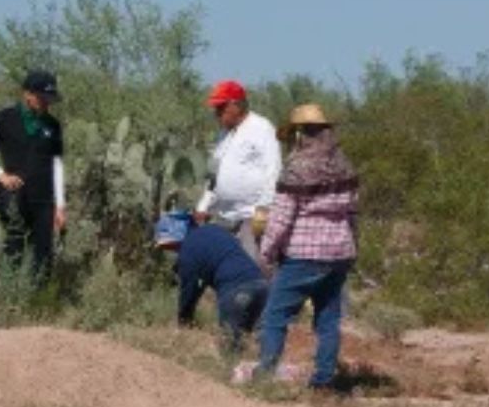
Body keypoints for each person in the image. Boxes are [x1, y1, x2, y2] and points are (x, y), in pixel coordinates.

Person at [256, 104, 359, 390]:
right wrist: (353, 249)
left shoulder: (297, 168)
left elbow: (281, 218)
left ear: (301, 134)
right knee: (328, 319)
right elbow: (352, 213)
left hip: (303, 254)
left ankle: (265, 376)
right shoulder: (344, 165)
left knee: (275, 316)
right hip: (339, 252)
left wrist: (266, 251)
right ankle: (324, 382)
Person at [0, 70, 67, 283]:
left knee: (43, 252)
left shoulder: (53, 125)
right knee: (15, 246)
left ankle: (38, 301)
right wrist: (1, 175)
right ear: (28, 94)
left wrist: (60, 204)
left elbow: (57, 163)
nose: (46, 103)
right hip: (14, 195)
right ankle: (11, 297)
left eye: (49, 99)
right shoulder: (5, 118)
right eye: (42, 98)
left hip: (44, 198)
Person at [153, 211, 269, 354]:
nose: (172, 250)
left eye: (170, 246)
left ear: (176, 236)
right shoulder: (214, 230)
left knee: (230, 348)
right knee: (263, 345)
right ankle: (265, 372)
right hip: (262, 286)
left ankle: (229, 370)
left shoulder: (188, 252)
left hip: (235, 291)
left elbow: (190, 291)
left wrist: (184, 320)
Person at [194, 80, 282, 265]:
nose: (216, 113)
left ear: (236, 105)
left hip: (251, 217)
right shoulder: (223, 135)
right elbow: (214, 174)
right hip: (224, 217)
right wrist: (203, 205)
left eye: (220, 107)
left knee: (254, 270)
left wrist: (264, 208)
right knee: (226, 271)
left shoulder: (262, 128)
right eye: (216, 108)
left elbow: (273, 170)